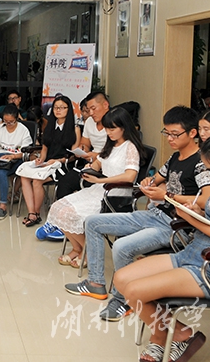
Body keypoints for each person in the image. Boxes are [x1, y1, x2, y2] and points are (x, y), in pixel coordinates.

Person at [115, 128, 210, 362]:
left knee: (134, 291)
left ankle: (164, 338)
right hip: (192, 253)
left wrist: (193, 220)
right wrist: (196, 212)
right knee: (121, 279)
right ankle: (177, 334)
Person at [66, 105, 210, 323]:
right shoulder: (175, 158)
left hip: (176, 226)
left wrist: (168, 195)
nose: (170, 139)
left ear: (192, 133)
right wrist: (149, 183)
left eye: (175, 134)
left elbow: (208, 200)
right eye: (167, 133)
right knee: (92, 222)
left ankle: (123, 299)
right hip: (155, 215)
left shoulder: (201, 163)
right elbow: (155, 180)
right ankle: (96, 283)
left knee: (121, 246)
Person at [37, 108, 144, 269]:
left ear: (124, 127)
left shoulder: (130, 148)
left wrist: (100, 179)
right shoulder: (112, 144)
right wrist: (91, 168)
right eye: (107, 129)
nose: (108, 132)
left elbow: (130, 176)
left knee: (70, 213)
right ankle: (78, 248)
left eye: (112, 129)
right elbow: (99, 162)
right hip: (100, 189)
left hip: (115, 194)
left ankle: (87, 251)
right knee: (57, 207)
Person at [18, 94, 80, 227]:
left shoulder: (75, 129)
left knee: (37, 181)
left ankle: (36, 214)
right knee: (24, 176)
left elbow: (74, 155)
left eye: (62, 107)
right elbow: (45, 148)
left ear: (69, 109)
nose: (58, 110)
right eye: (56, 107)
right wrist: (41, 159)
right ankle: (31, 212)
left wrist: (59, 160)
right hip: (47, 163)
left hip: (63, 165)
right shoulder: (49, 127)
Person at [53, 91, 110, 201]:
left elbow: (117, 150)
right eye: (88, 110)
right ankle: (67, 210)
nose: (91, 113)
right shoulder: (89, 122)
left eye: (94, 108)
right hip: (91, 164)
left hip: (108, 165)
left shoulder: (115, 123)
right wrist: (83, 150)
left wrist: (96, 155)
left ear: (105, 105)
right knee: (64, 183)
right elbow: (85, 143)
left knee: (89, 188)